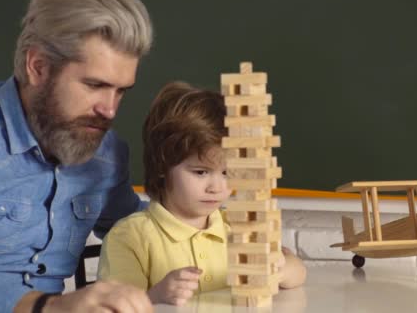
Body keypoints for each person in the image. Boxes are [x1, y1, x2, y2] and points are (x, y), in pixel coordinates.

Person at [0, 0, 155, 312]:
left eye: (121, 91)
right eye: (94, 85)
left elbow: (142, 231)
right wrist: (49, 307)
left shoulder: (106, 155)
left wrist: (244, 245)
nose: (109, 110)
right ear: (38, 66)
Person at [97, 82, 307, 306]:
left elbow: (298, 272)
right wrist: (155, 296)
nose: (216, 187)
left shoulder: (239, 228)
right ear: (161, 167)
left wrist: (278, 269)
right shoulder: (130, 237)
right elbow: (115, 307)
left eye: (228, 173)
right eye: (200, 172)